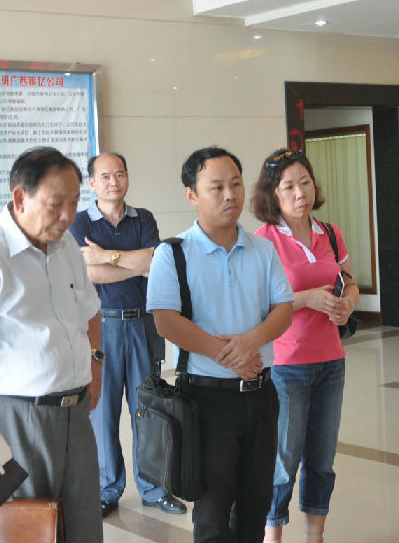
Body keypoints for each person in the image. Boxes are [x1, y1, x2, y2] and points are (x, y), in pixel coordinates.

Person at [0, 147, 104, 543]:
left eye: (74, 203)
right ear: (20, 198)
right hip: (19, 415)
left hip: (76, 410)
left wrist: (95, 363)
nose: (68, 216)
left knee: (83, 525)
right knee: (29, 528)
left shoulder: (67, 246)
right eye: (56, 204)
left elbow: (89, 310)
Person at [147, 146, 294, 543]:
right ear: (191, 194)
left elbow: (283, 309)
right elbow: (166, 321)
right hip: (205, 399)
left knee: (255, 506)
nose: (230, 195)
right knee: (212, 513)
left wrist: (251, 342)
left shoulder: (263, 249)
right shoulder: (173, 253)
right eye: (216, 187)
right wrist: (229, 357)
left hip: (261, 396)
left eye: (236, 184)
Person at [69, 152, 187, 518]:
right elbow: (88, 274)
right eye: (105, 176)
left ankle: (154, 487)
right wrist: (133, 263)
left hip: (142, 325)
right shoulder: (79, 222)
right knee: (103, 413)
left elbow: (155, 263)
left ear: (127, 177)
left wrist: (108, 256)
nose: (113, 181)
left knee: (148, 408)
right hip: (101, 327)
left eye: (119, 174)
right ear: (92, 183)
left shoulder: (144, 218)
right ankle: (107, 489)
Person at [251, 149, 359, 543]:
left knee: (322, 458)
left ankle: (316, 536)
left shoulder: (329, 232)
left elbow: (348, 281)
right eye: (289, 187)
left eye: (306, 182)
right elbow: (259, 306)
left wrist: (348, 304)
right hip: (286, 364)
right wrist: (306, 299)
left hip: (331, 361)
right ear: (273, 194)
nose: (301, 193)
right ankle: (273, 536)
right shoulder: (263, 241)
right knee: (283, 458)